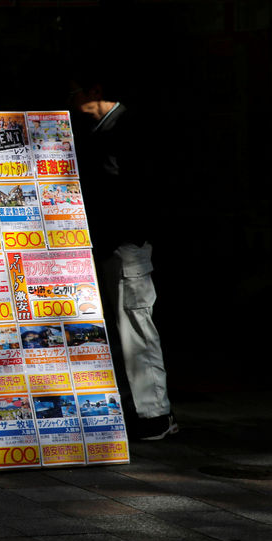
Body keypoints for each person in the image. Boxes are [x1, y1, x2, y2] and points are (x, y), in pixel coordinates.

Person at [68, 74, 179, 441]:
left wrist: (125, 236)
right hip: (115, 244)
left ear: (96, 90)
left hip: (124, 245)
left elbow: (138, 191)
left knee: (135, 325)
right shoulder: (102, 129)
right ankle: (141, 411)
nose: (72, 96)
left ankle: (154, 416)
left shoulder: (128, 129)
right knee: (125, 326)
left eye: (77, 89)